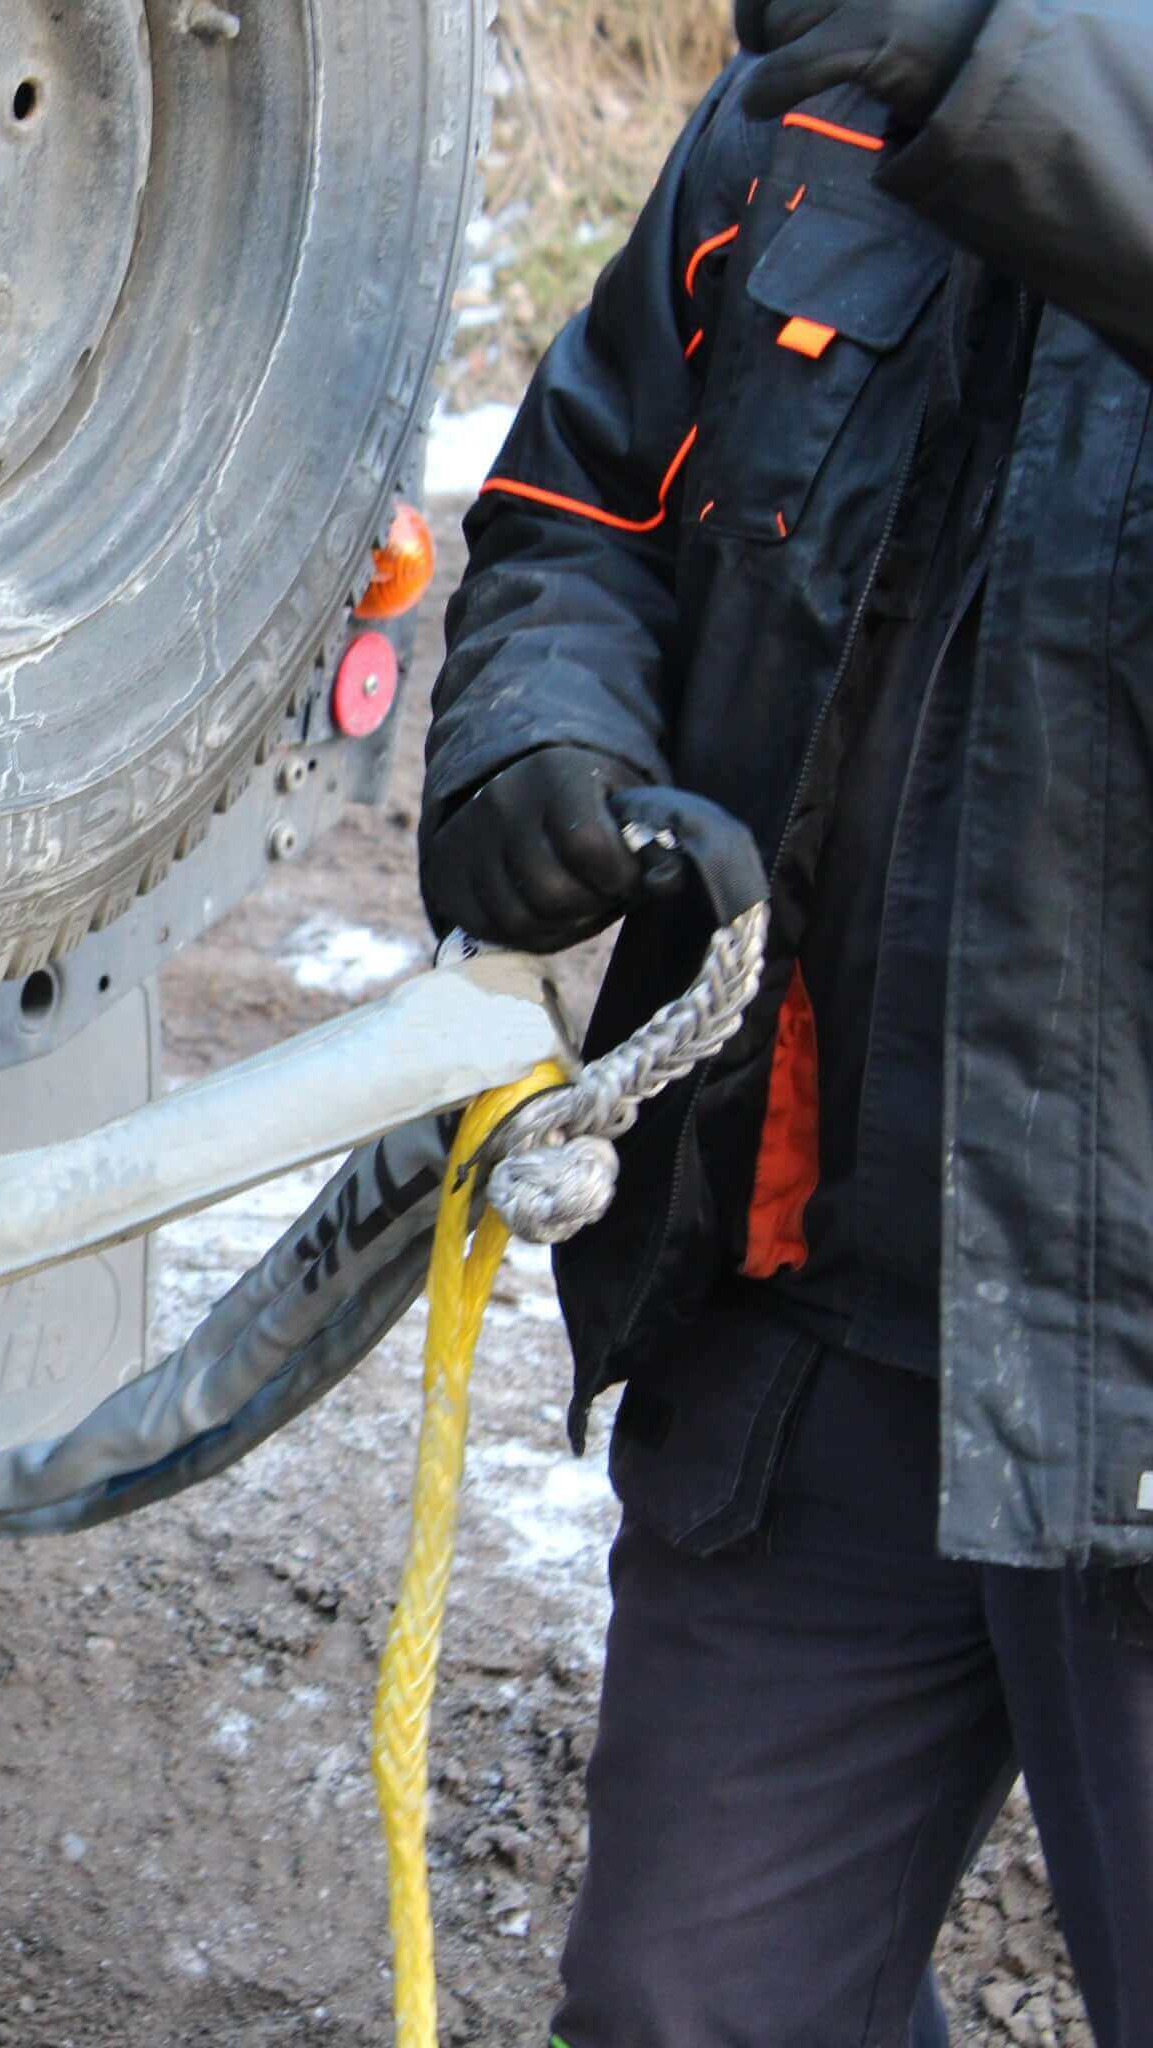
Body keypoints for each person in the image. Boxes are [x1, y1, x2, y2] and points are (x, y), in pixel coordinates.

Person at [418, 2, 1153, 2041]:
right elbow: (585, 513)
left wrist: (999, 73)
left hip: (1133, 1372)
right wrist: (536, 749)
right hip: (812, 1326)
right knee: (690, 2007)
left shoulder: (951, 62)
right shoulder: (797, 125)